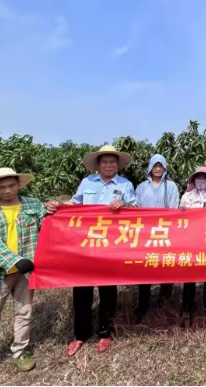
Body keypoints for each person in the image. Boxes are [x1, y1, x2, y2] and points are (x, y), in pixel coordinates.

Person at [47, 145, 137, 356]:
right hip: (84, 244)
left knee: (108, 290)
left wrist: (122, 204)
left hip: (111, 245)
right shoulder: (86, 183)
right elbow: (74, 203)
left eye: (112, 162)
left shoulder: (125, 185)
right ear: (98, 165)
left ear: (118, 165)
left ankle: (105, 333)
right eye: (104, 162)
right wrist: (57, 206)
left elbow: (135, 209)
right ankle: (80, 334)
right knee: (82, 289)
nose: (108, 165)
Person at [0, 168, 48, 371]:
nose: (7, 191)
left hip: (26, 271)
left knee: (24, 312)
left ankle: (19, 352)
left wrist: (57, 211)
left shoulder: (33, 204)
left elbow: (47, 224)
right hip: (4, 269)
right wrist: (14, 259)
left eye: (11, 186)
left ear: (19, 185)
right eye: (2, 188)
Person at [134, 154, 179, 322]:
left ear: (165, 168)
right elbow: (136, 208)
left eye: (161, 166)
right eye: (155, 165)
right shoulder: (141, 187)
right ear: (150, 168)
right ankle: (143, 304)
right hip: (146, 233)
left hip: (165, 232)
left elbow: (174, 208)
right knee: (145, 268)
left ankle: (163, 302)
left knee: (165, 266)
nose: (158, 169)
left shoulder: (171, 186)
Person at [179, 167, 206, 328]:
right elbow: (180, 218)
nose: (201, 181)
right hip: (191, 241)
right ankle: (186, 310)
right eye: (198, 178)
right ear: (194, 181)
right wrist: (182, 211)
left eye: (204, 178)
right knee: (189, 276)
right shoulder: (186, 196)